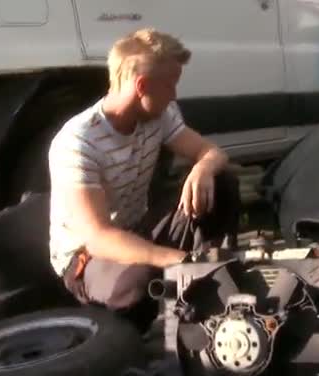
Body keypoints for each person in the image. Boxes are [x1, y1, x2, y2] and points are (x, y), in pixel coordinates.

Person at [48, 27, 240, 336]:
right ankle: (132, 339)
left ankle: (211, 286)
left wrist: (203, 168)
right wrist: (176, 259)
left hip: (137, 228)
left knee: (222, 182)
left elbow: (213, 153)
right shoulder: (78, 142)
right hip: (88, 256)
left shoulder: (160, 114)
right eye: (170, 85)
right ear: (141, 85)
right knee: (138, 280)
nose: (174, 95)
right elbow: (98, 237)